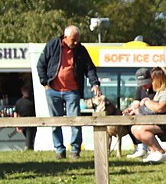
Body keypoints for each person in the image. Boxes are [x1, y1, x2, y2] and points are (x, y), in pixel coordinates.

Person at [36, 25, 102, 159]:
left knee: (76, 121)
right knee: (55, 122)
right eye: (73, 40)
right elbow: (41, 64)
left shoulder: (81, 50)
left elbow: (89, 68)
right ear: (65, 38)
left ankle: (75, 150)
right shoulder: (53, 45)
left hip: (72, 91)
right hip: (53, 90)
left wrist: (94, 83)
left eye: (78, 39)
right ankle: (59, 150)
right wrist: (45, 83)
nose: (76, 42)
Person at [128, 66, 166, 163]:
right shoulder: (161, 91)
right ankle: (154, 152)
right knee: (134, 128)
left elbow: (160, 108)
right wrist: (136, 110)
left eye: (152, 80)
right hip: (162, 122)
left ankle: (161, 153)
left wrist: (146, 101)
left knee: (141, 129)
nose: (151, 83)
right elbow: (152, 109)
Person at [126, 67, 155, 159]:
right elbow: (136, 103)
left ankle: (147, 148)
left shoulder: (155, 89)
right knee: (129, 120)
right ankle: (140, 147)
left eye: (145, 83)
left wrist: (138, 109)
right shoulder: (140, 89)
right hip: (141, 114)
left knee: (139, 124)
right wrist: (130, 109)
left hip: (152, 116)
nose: (143, 86)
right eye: (141, 83)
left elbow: (153, 107)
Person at [13, 85, 36, 149]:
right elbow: (16, 113)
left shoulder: (33, 100)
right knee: (29, 136)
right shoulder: (20, 102)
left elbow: (15, 113)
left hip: (31, 121)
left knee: (30, 136)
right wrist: (17, 124)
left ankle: (29, 147)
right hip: (25, 122)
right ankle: (28, 147)